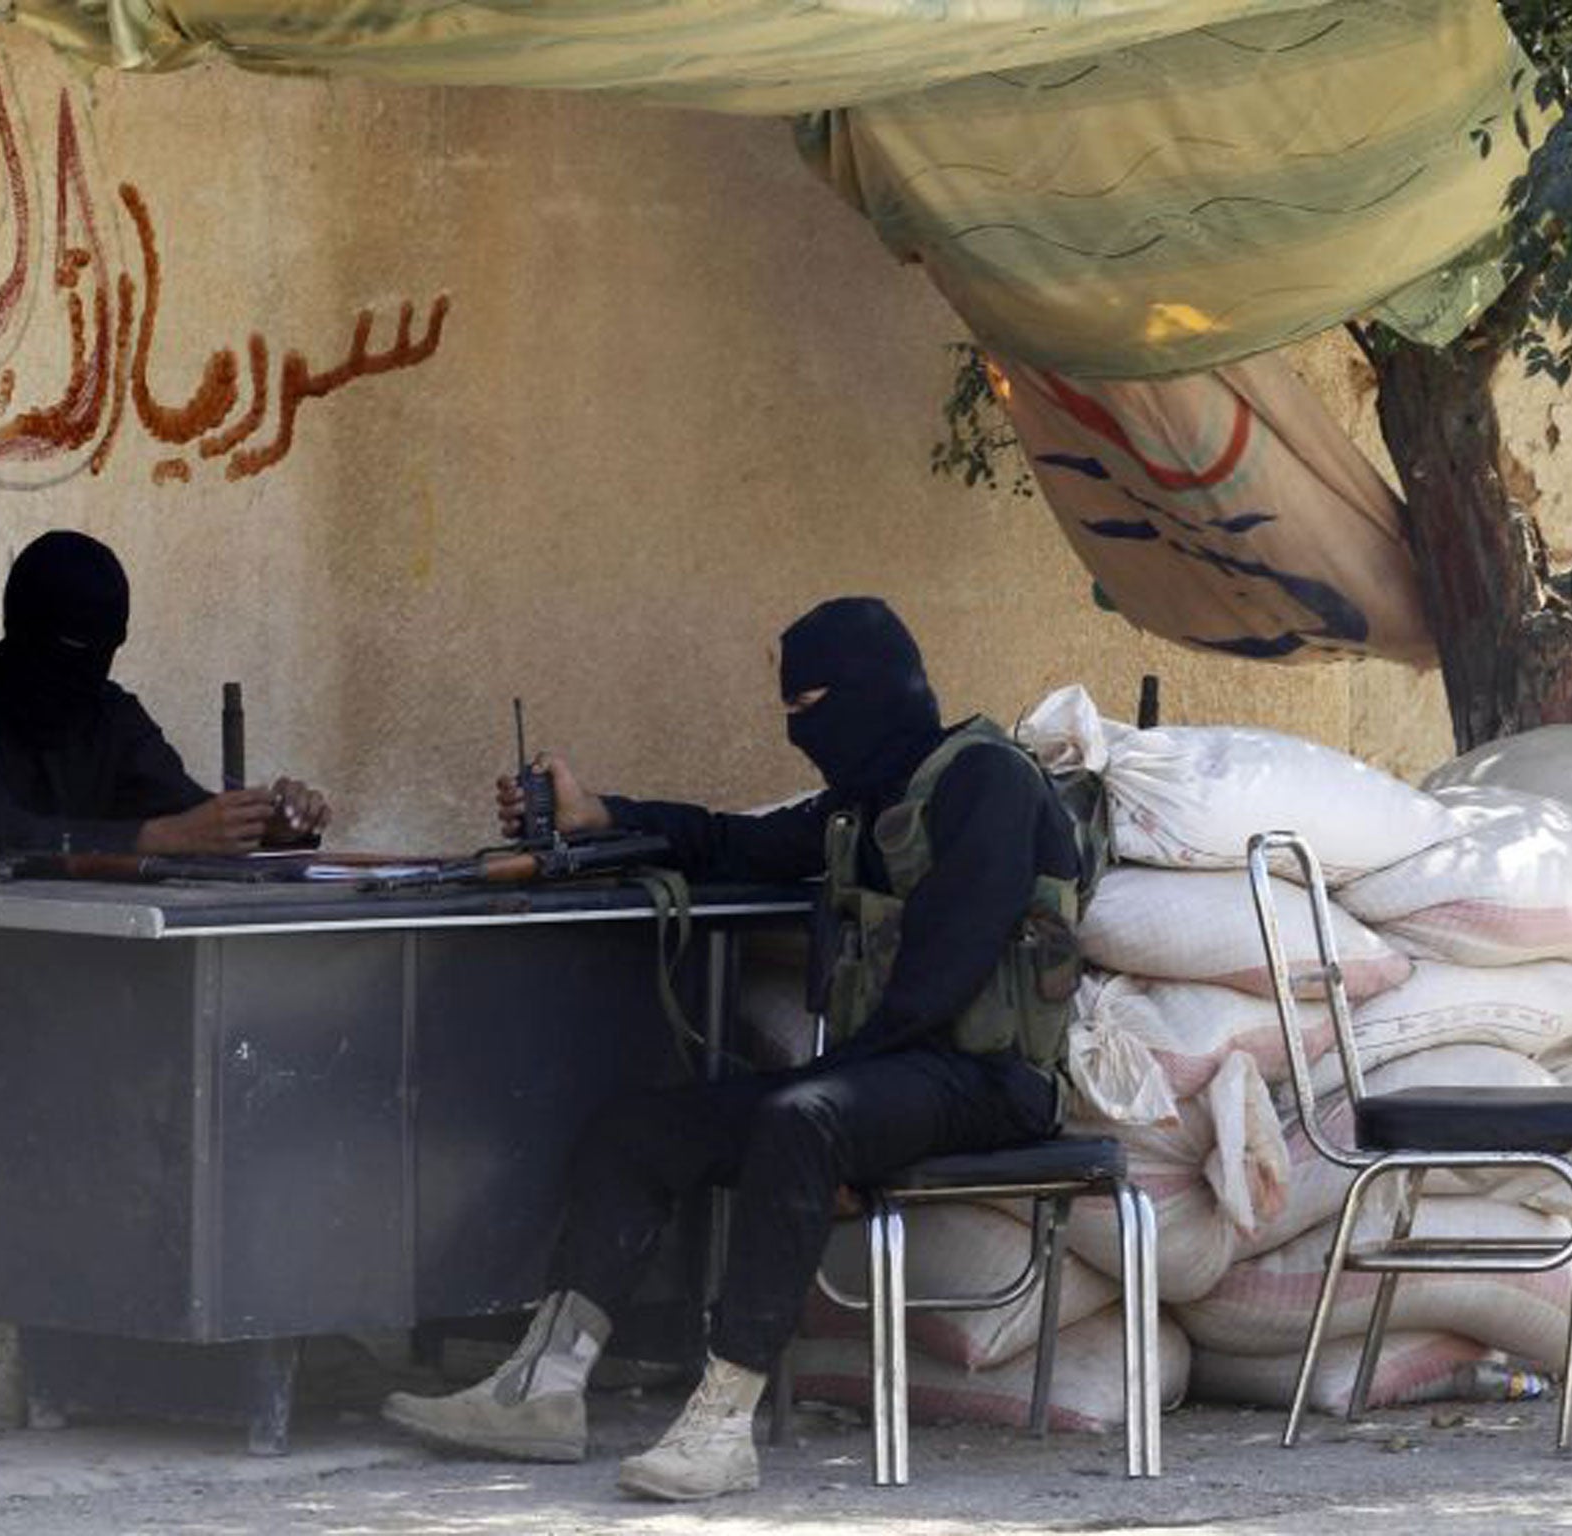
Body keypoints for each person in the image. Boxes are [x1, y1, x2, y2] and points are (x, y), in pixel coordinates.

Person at [381, 596, 1075, 1501]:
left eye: (810, 704)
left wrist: (822, 1090)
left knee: (801, 1119)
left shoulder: (988, 782)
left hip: (991, 1080)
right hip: (889, 1075)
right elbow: (735, 843)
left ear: (872, 689)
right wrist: (598, 816)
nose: (800, 731)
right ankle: (541, 1389)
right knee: (639, 1130)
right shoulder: (864, 807)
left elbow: (940, 979)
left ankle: (721, 1424)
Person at [0, 528, 331, 1429]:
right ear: (16, 630)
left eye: (97, 656)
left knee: (199, 1052)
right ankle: (27, 1347)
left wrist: (268, 825)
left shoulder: (108, 716)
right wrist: (153, 839)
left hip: (63, 994)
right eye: (63, 652)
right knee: (62, 1065)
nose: (77, 675)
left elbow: (188, 821)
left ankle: (159, 1337)